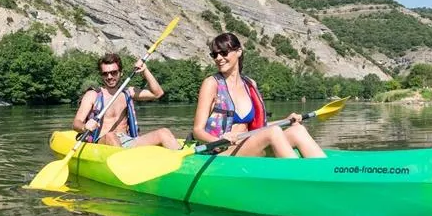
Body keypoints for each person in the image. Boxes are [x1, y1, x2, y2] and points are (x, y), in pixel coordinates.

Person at [192, 32, 326, 158]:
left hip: (246, 145)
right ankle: (299, 177)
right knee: (273, 132)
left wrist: (286, 120)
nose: (219, 58)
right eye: (214, 55)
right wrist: (220, 140)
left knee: (298, 130)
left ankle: (326, 173)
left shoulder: (250, 84)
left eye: (224, 53)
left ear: (239, 52)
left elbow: (259, 127)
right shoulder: (211, 84)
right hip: (220, 152)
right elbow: (197, 131)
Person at [73, 53, 180, 149]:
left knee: (164, 133)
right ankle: (127, 166)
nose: (109, 77)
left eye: (113, 72)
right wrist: (84, 127)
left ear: (121, 73)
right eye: (105, 74)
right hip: (103, 142)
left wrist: (145, 71)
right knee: (111, 135)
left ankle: (186, 165)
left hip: (128, 141)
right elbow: (76, 123)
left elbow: (158, 93)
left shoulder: (129, 92)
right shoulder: (92, 95)